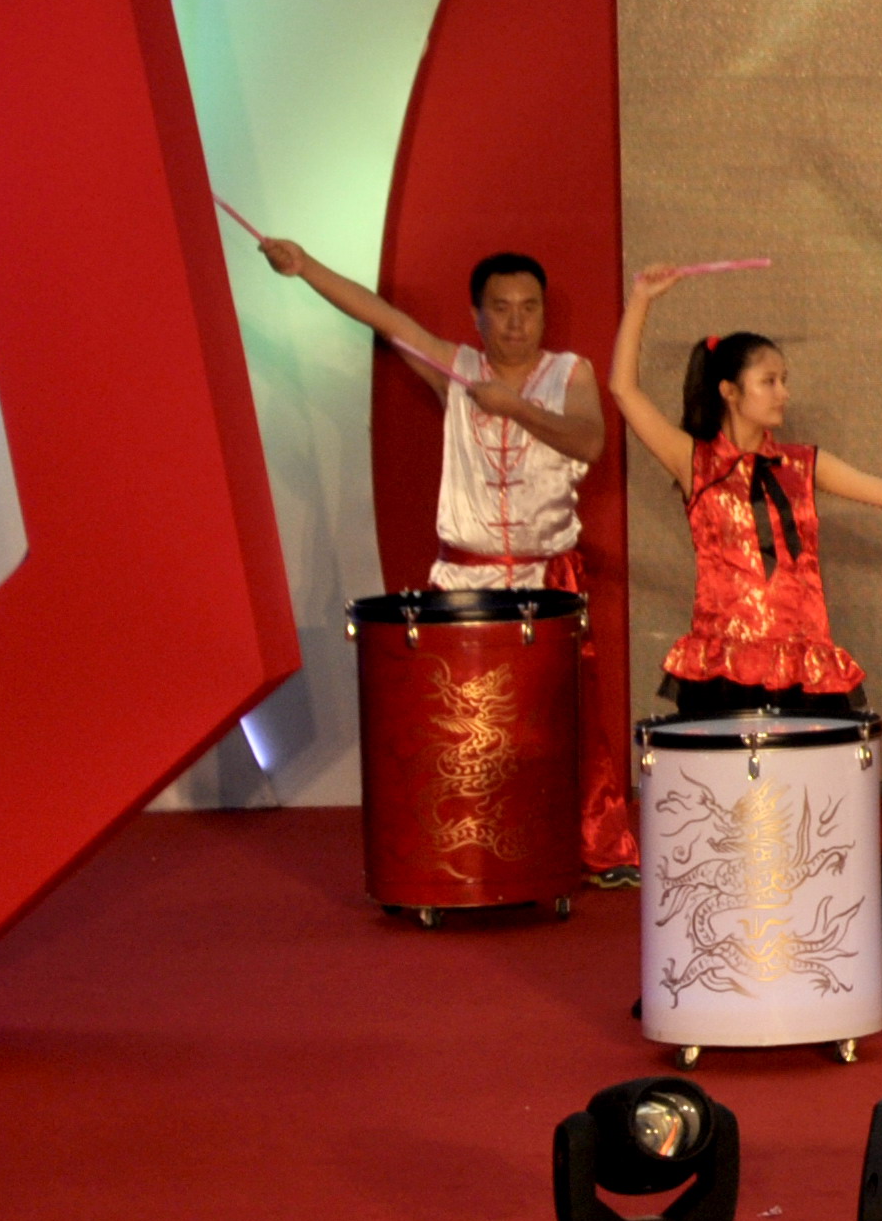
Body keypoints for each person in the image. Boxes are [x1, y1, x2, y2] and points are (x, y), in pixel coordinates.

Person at [609, 264, 882, 1015]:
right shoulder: (694, 461)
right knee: (713, 829)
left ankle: (871, 971)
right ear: (730, 391)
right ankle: (697, 977)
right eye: (769, 380)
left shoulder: (803, 465)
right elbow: (622, 390)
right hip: (721, 666)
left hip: (807, 667)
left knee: (840, 821)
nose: (783, 393)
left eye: (784, 380)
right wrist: (642, 301)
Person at [257, 236, 637, 884]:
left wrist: (516, 408)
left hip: (547, 580)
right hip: (466, 580)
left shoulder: (569, 373)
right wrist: (304, 267)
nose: (516, 322)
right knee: (466, 726)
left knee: (561, 720)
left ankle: (587, 848)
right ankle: (470, 853)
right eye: (502, 308)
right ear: (477, 315)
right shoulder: (457, 367)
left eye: (529, 308)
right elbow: (384, 318)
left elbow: (591, 442)